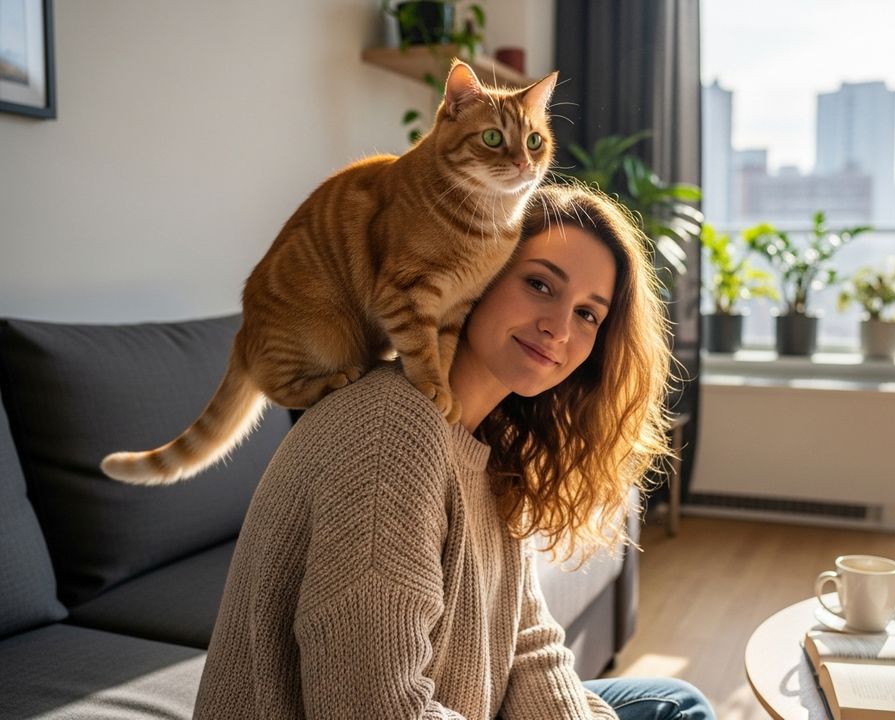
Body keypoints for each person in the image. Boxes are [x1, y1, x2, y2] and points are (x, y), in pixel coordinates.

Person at [192, 183, 715, 720]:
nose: (558, 328)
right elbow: (377, 710)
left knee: (675, 701)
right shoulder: (388, 434)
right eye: (539, 284)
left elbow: (526, 641)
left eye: (588, 314)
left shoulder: (486, 436)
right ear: (478, 273)